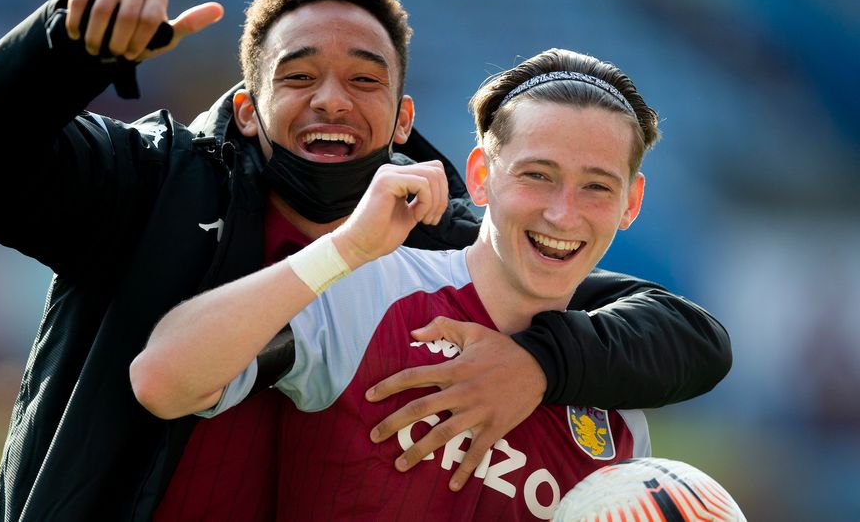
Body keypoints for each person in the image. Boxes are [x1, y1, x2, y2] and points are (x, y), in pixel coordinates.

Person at [0, 0, 730, 520]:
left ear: (403, 119)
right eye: (299, 75)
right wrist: (66, 46)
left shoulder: (448, 239)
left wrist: (539, 362)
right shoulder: (154, 183)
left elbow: (685, 332)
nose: (333, 101)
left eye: (366, 79)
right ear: (246, 108)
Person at [133, 48, 662, 519]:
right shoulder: (370, 289)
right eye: (537, 175)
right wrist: (343, 250)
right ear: (481, 177)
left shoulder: (618, 425)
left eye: (597, 186)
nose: (562, 214)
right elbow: (161, 381)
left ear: (631, 203)